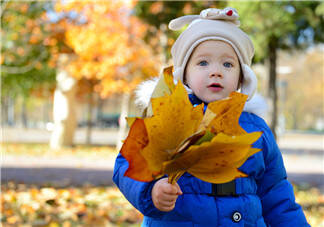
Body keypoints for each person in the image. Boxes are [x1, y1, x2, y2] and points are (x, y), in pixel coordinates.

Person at [113, 7, 309, 227]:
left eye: (228, 64)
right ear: (184, 73)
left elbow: (277, 196)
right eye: (203, 63)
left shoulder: (256, 129)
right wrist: (151, 190)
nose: (216, 72)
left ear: (241, 76)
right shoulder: (164, 118)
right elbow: (127, 166)